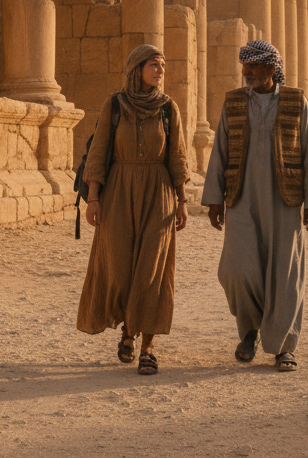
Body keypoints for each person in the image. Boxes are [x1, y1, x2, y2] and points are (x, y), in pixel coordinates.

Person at [202, 39, 308, 372]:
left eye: (253, 66)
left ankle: (283, 346)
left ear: (271, 68)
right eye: (245, 66)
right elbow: (220, 152)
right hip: (241, 198)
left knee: (284, 273)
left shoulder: (296, 102)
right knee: (238, 270)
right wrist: (214, 199)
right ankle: (250, 329)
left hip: (285, 199)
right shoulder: (234, 103)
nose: (247, 72)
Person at [76, 44, 189, 375]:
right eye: (153, 64)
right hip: (119, 194)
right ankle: (127, 331)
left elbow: (178, 158)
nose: (160, 70)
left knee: (152, 272)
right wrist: (93, 199)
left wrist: (182, 202)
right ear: (136, 68)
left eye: (163, 65)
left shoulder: (168, 109)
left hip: (160, 194)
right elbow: (98, 154)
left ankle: (147, 348)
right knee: (121, 269)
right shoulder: (114, 105)